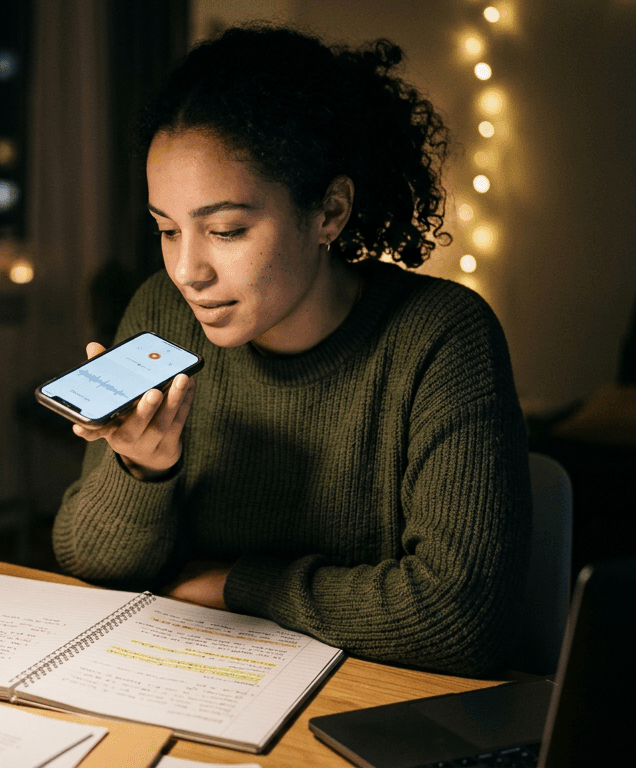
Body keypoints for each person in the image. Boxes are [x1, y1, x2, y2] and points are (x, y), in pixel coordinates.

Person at [51, 24, 531, 677]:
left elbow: (462, 616)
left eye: (226, 230)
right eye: (167, 229)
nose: (188, 270)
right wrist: (143, 471)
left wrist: (240, 586)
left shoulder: (441, 337)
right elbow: (87, 556)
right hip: (198, 683)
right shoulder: (164, 315)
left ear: (329, 211)